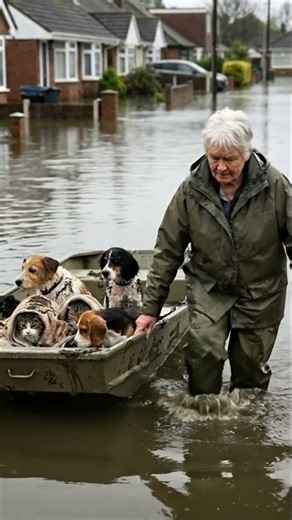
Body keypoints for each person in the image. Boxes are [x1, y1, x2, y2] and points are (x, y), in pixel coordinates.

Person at [134, 107, 291, 396]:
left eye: (229, 159)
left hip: (262, 291)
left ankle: (246, 427)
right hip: (209, 286)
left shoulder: (275, 186)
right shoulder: (191, 190)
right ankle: (203, 418)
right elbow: (168, 250)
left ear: (246, 153)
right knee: (204, 354)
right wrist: (150, 310)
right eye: (214, 158)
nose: (220, 167)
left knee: (250, 370)